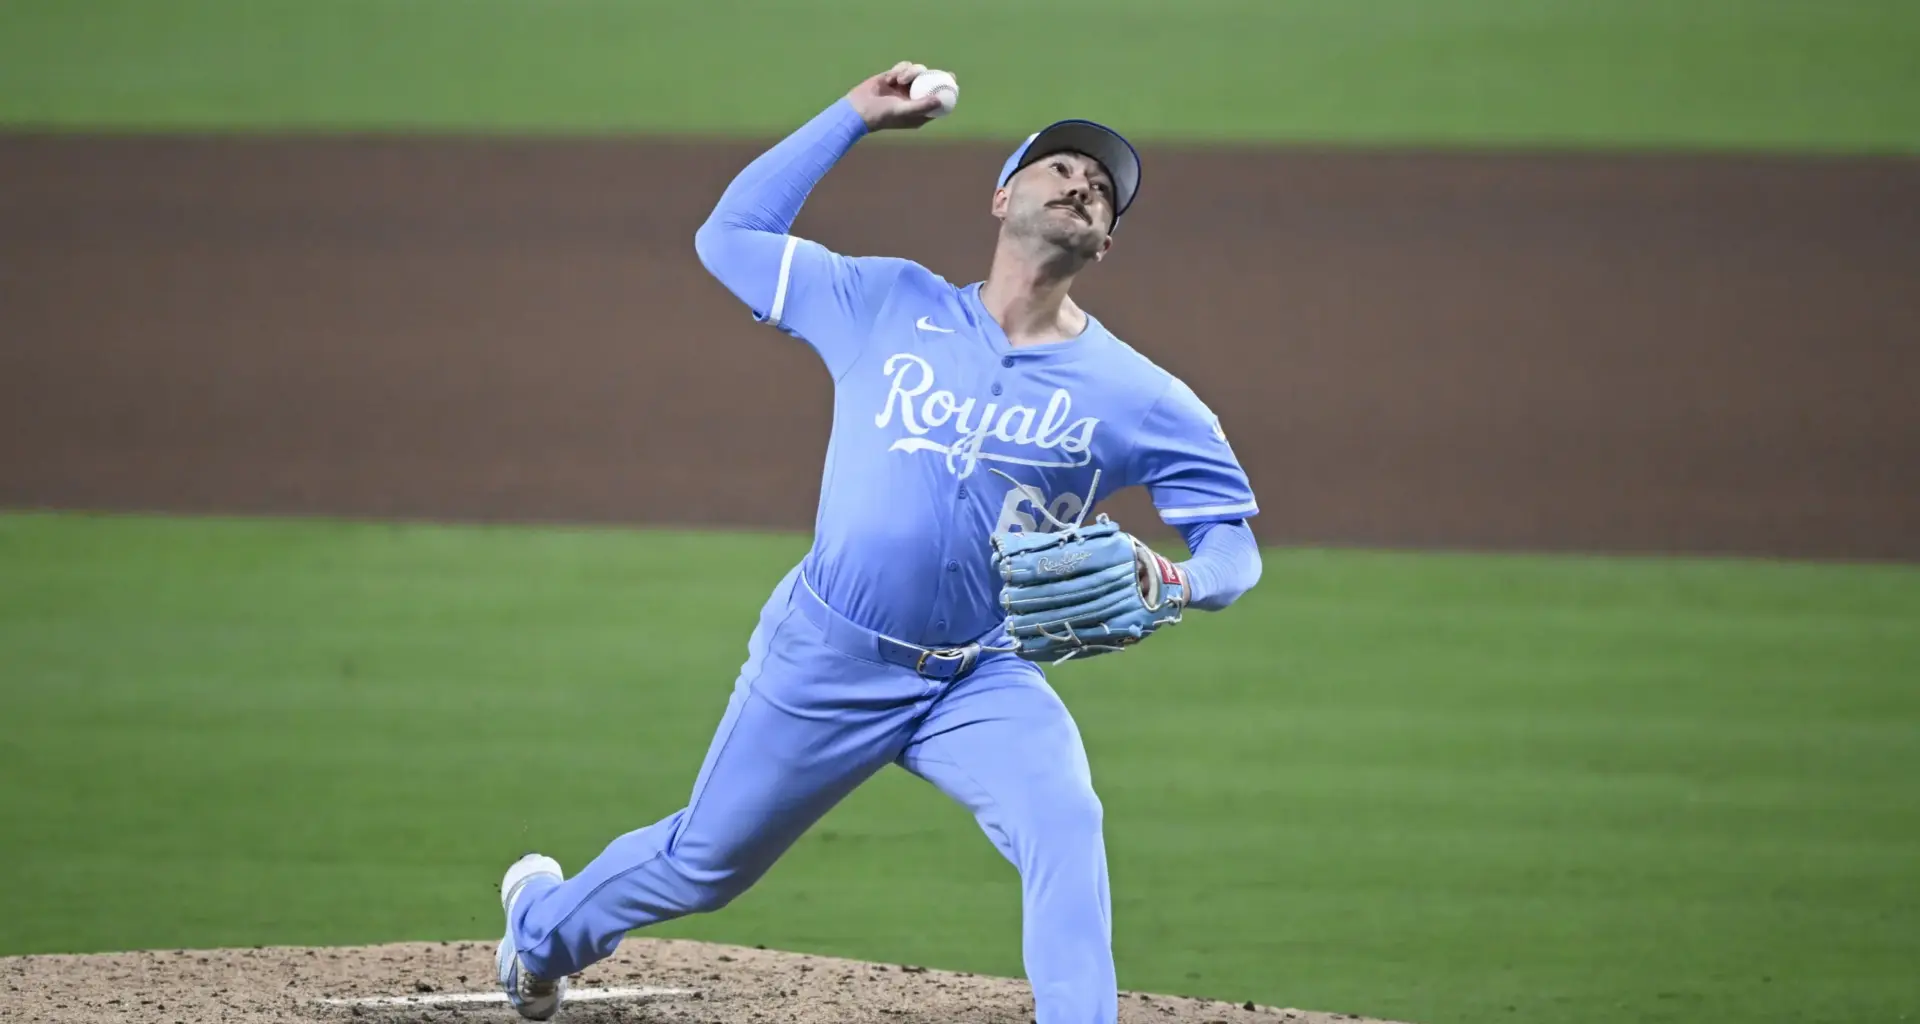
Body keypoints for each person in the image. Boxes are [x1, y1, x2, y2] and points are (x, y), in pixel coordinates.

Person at [494, 61, 1264, 1024]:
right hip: (828, 655)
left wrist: (1179, 582)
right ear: (1003, 197)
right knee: (706, 864)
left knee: (1065, 820)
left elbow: (1233, 546)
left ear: (1106, 242)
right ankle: (540, 930)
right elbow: (729, 237)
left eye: (1103, 189)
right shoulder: (885, 300)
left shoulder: (1139, 394)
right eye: (1062, 168)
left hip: (978, 675)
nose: (1082, 186)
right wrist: (854, 115)